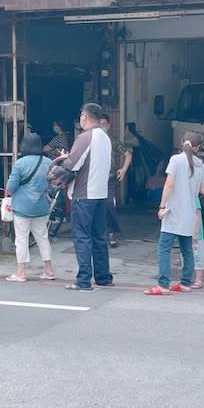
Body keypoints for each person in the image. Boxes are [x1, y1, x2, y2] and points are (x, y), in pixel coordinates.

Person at [147, 131, 204, 295]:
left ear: (182, 142)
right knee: (187, 250)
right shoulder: (201, 164)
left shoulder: (176, 160)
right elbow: (203, 189)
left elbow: (168, 185)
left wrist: (161, 206)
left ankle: (163, 285)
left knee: (164, 248)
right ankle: (185, 283)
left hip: (173, 211)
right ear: (198, 147)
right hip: (189, 212)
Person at [61, 103, 112, 291]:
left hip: (84, 194)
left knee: (82, 236)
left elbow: (72, 164)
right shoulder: (105, 137)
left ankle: (83, 280)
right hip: (101, 193)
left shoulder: (85, 137)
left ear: (84, 116)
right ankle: (103, 276)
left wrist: (63, 158)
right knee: (99, 236)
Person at [4, 133, 55, 282]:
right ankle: (49, 270)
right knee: (43, 238)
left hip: (22, 208)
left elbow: (10, 186)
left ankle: (21, 272)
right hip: (41, 207)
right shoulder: (48, 162)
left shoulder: (20, 163)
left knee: (21, 239)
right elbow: (51, 183)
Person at [99, 113, 132, 247]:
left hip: (109, 178)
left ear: (109, 125)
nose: (101, 127)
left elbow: (127, 154)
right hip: (94, 179)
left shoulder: (111, 140)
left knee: (108, 205)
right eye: (99, 124)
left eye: (103, 124)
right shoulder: (90, 140)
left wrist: (123, 170)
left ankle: (112, 233)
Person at [191, 196, 204, 288]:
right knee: (188, 256)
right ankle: (188, 277)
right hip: (187, 232)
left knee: (198, 256)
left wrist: (196, 233)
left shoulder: (194, 198)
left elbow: (197, 215)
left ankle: (198, 279)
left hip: (195, 234)